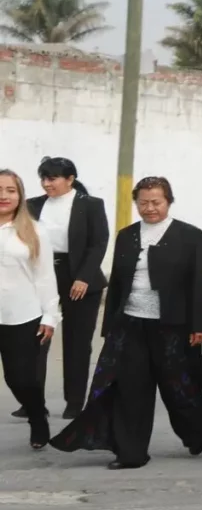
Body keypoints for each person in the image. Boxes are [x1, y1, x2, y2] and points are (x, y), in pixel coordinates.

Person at [51, 177, 202, 469]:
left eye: (156, 202)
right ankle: (131, 452)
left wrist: (198, 325)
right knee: (130, 389)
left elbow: (196, 284)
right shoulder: (127, 235)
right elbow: (116, 284)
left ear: (168, 201)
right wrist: (109, 327)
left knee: (179, 389)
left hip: (172, 326)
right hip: (130, 324)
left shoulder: (189, 236)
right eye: (143, 203)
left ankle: (195, 433)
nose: (149, 208)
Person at [25, 157, 109, 420]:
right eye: (43, 178)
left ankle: (74, 402)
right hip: (42, 275)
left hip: (80, 277)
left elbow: (99, 243)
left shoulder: (91, 205)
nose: (46, 184)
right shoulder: (33, 205)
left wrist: (83, 277)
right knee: (35, 339)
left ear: (70, 179)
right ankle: (31, 400)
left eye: (52, 178)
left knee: (77, 341)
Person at [0, 169, 58, 449]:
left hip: (21, 315)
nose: (4, 195)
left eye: (10, 190)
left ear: (20, 195)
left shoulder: (34, 230)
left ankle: (37, 417)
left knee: (19, 378)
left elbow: (45, 276)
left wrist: (50, 315)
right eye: (0, 189)